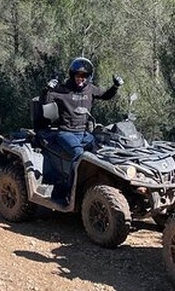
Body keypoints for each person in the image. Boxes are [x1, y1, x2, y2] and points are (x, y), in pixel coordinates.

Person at [41, 57, 123, 202]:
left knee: (104, 150)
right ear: (72, 75)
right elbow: (45, 101)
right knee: (79, 155)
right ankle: (69, 193)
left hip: (84, 133)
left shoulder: (90, 89)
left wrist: (115, 87)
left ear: (89, 77)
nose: (80, 79)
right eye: (77, 75)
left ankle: (101, 186)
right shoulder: (63, 89)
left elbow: (105, 95)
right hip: (65, 132)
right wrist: (48, 89)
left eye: (84, 76)